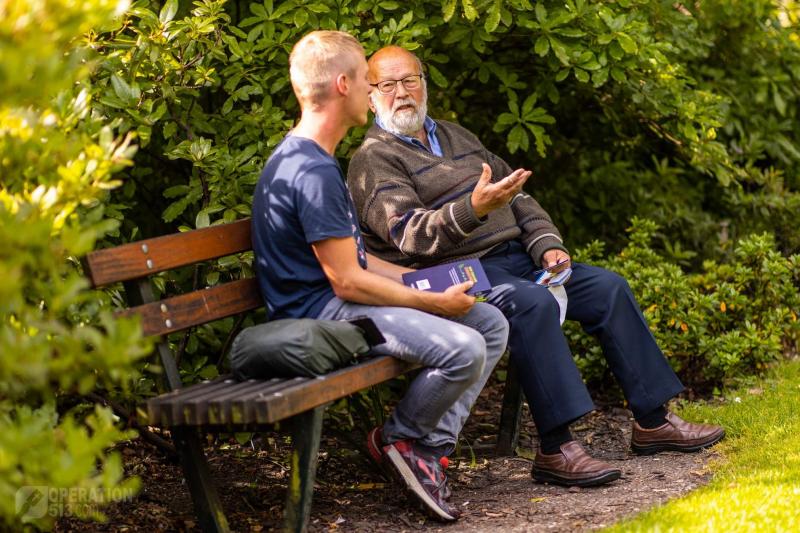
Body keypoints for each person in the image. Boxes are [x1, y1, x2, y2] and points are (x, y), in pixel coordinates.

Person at [347, 45, 725, 488]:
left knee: (608, 288)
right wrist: (473, 209)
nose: (401, 93)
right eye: (387, 85)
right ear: (370, 96)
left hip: (518, 258)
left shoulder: (456, 135)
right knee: (532, 304)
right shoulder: (374, 159)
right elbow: (411, 235)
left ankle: (653, 421)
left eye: (409, 80)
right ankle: (556, 448)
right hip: (458, 272)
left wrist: (546, 245)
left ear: (424, 84)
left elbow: (518, 195)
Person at [251, 32, 509, 521]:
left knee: (489, 322)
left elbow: (359, 262)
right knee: (464, 347)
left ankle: (426, 450)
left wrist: (424, 279)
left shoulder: (315, 158)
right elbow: (347, 283)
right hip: (324, 318)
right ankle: (400, 441)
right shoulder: (310, 170)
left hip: (343, 302)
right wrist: (433, 303)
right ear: (344, 85)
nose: (374, 91)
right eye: (367, 81)